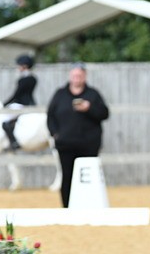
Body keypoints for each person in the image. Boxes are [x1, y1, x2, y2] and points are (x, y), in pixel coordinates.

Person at [46, 62, 110, 207]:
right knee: (67, 176)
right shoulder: (60, 94)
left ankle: (89, 206)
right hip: (65, 144)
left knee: (88, 178)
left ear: (84, 76)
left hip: (88, 145)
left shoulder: (93, 94)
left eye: (80, 75)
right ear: (70, 76)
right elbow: (50, 116)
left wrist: (89, 108)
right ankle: (67, 208)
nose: (77, 78)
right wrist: (55, 134)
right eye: (74, 75)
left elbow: (105, 113)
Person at [2, 54, 38, 150]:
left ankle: (13, 142)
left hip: (20, 105)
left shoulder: (23, 79)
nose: (18, 67)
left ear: (24, 66)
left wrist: (5, 103)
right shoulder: (34, 78)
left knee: (4, 122)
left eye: (19, 65)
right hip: (31, 104)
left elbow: (17, 94)